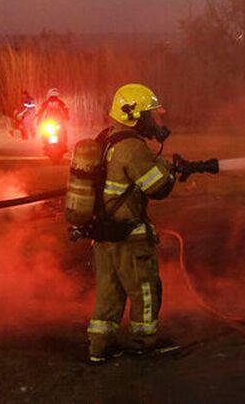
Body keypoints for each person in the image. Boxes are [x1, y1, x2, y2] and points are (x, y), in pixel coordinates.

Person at [86, 83, 178, 363]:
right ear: (133, 115)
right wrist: (170, 169)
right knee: (145, 289)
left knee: (109, 291)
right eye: (151, 115)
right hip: (129, 235)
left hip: (104, 235)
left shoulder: (106, 140)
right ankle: (144, 340)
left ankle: (100, 346)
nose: (156, 121)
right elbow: (159, 188)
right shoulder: (132, 148)